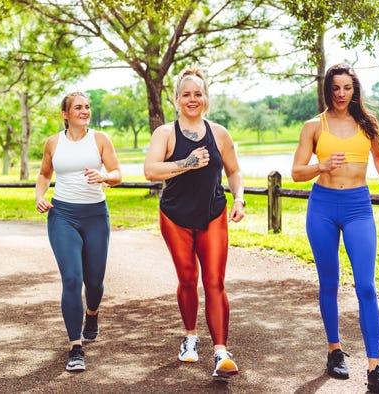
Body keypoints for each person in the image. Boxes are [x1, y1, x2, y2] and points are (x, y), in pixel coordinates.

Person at [291, 63, 379, 393]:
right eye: (336, 88)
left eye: (347, 88)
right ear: (328, 89)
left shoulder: (368, 124)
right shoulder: (314, 126)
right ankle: (335, 351)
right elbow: (297, 172)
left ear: (355, 89)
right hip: (322, 207)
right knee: (329, 283)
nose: (341, 94)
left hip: (358, 207)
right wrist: (321, 166)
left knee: (366, 286)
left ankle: (375, 370)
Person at [143, 66, 245, 379]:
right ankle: (190, 337)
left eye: (198, 94)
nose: (192, 99)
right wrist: (186, 163)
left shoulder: (219, 133)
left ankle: (220, 351)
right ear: (176, 99)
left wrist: (239, 199)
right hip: (175, 216)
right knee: (188, 278)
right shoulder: (166, 133)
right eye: (186, 94)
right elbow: (150, 170)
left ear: (206, 99)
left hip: (213, 212)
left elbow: (234, 172)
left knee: (215, 281)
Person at [35, 91, 122, 372]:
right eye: (78, 107)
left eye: (87, 107)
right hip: (62, 215)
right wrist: (39, 195)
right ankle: (75, 347)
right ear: (65, 113)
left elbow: (117, 173)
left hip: (95, 215)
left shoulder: (100, 139)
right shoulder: (53, 143)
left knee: (94, 282)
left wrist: (105, 176)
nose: (84, 111)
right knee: (72, 279)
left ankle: (92, 314)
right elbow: (44, 174)